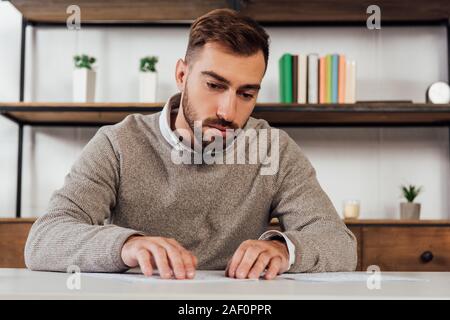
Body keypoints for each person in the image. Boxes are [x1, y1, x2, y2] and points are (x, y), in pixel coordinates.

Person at [25, 8, 357, 280]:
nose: (228, 111)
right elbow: (44, 239)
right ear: (182, 75)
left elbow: (340, 245)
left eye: (246, 94)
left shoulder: (273, 149)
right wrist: (127, 245)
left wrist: (284, 249)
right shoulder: (119, 143)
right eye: (214, 85)